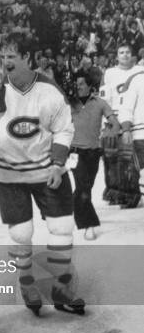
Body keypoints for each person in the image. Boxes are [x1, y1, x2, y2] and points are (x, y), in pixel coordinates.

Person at [0, 32, 85, 317]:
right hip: (7, 172)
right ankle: (27, 284)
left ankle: (61, 287)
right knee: (21, 233)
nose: (6, 62)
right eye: (3, 56)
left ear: (29, 59)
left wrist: (58, 164)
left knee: (62, 228)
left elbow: (64, 128)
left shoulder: (49, 91)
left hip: (47, 168)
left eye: (12, 56)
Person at [71, 72, 120, 240]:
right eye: (76, 83)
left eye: (81, 84)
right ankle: (88, 225)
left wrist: (108, 133)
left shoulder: (100, 103)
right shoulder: (68, 103)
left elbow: (114, 123)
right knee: (83, 189)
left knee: (85, 187)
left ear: (90, 86)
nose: (78, 86)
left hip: (94, 152)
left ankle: (75, 206)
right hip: (75, 152)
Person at [100, 43, 140, 205]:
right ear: (116, 56)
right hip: (113, 118)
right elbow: (104, 99)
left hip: (132, 119)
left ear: (133, 55)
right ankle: (113, 190)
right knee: (110, 157)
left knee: (128, 158)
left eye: (128, 52)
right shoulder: (109, 73)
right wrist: (108, 121)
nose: (124, 55)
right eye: (121, 52)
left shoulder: (139, 72)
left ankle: (129, 192)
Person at [118, 66, 144, 203]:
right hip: (140, 134)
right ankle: (132, 196)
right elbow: (126, 107)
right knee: (139, 171)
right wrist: (126, 129)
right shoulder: (137, 79)